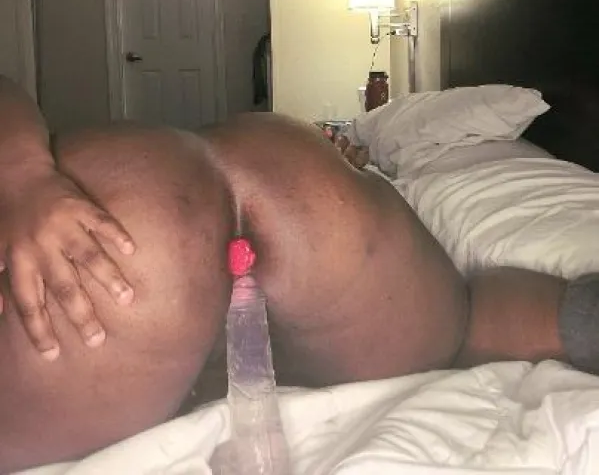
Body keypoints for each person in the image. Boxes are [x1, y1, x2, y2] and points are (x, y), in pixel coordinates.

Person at [0, 76, 582, 473]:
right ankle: (585, 314)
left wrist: (25, 178)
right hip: (293, 172)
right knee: (464, 322)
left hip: (118, 228)